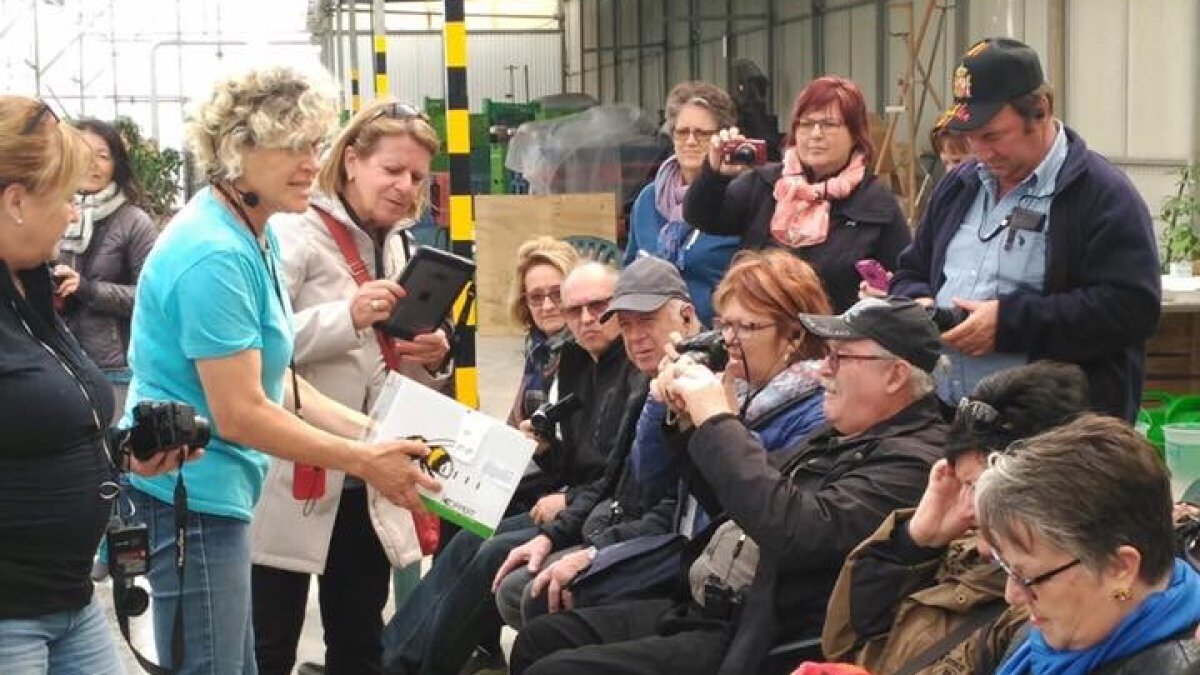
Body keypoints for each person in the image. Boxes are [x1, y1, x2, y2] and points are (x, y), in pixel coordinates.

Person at [121, 66, 437, 674]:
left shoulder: (253, 231)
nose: (310, 163)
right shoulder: (214, 252)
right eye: (292, 146)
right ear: (238, 149)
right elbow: (241, 411)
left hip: (223, 497)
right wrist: (361, 458)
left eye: (315, 144)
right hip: (193, 499)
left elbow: (281, 380)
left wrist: (374, 437)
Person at [510, 296, 947, 675]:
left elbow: (794, 530)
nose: (824, 370)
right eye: (725, 326)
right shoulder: (848, 432)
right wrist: (686, 420)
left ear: (895, 375)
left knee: (557, 669)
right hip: (708, 602)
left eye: (841, 357)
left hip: (761, 635)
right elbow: (728, 500)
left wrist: (718, 421)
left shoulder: (914, 461)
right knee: (540, 638)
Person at [496, 248, 833, 629]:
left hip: (724, 575)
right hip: (676, 542)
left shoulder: (807, 405)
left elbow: (737, 508)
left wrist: (716, 420)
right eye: (725, 325)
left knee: (537, 604)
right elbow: (645, 479)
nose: (731, 340)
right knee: (508, 565)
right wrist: (663, 403)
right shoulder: (714, 381)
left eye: (747, 327)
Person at [247, 100, 452, 675]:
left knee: (360, 638)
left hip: (370, 470)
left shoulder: (403, 245)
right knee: (270, 641)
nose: (405, 186)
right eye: (392, 169)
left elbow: (394, 364)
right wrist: (348, 316)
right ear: (352, 161)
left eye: (415, 176)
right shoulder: (291, 235)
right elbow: (259, 349)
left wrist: (433, 354)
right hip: (295, 467)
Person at [381, 259, 654, 675]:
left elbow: (621, 474)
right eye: (572, 308)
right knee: (472, 530)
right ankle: (392, 658)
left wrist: (567, 498)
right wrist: (546, 451)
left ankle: (412, 665)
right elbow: (578, 457)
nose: (585, 319)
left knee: (493, 550)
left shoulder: (637, 368)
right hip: (574, 497)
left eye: (598, 307)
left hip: (603, 511)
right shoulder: (578, 362)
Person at [0, 96, 189, 674]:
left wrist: (123, 455)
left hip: (69, 600)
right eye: (65, 199)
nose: (71, 216)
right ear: (14, 202)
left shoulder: (30, 288)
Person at [889, 37, 1160, 420]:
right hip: (952, 417)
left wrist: (1011, 324)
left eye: (993, 136)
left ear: (1040, 111)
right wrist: (918, 305)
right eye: (970, 137)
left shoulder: (1102, 196)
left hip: (1054, 435)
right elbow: (912, 270)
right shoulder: (959, 186)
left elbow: (1132, 308)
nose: (980, 152)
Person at [821, 361, 1090, 674]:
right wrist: (913, 542)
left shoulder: (1038, 608)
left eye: (976, 486)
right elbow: (845, 646)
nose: (969, 506)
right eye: (964, 485)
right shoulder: (963, 549)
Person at [978, 415, 1200, 673]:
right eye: (1006, 568)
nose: (1012, 595)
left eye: (1027, 578)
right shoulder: (1053, 634)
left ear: (1118, 568)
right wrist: (921, 543)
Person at [683, 76, 911, 313]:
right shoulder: (767, 184)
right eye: (805, 124)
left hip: (836, 339)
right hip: (759, 333)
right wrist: (714, 174)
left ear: (855, 134)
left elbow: (907, 280)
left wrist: (884, 295)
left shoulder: (875, 201)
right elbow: (702, 216)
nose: (815, 134)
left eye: (829, 125)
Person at [53, 117, 159, 418]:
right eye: (83, 154)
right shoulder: (51, 212)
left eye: (103, 155)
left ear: (117, 163)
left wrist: (88, 290)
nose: (93, 164)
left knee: (115, 452)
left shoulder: (133, 221)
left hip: (115, 367)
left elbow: (152, 296)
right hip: (60, 359)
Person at [623, 81, 741, 326]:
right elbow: (631, 271)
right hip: (653, 337)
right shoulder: (648, 200)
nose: (690, 141)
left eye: (701, 133)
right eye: (681, 131)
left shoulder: (739, 197)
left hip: (717, 339)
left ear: (723, 137)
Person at [505, 236, 581, 515]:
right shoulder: (539, 349)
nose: (547, 306)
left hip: (566, 490)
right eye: (537, 297)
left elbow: (583, 459)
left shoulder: (584, 352)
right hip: (538, 470)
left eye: (557, 294)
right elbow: (514, 424)